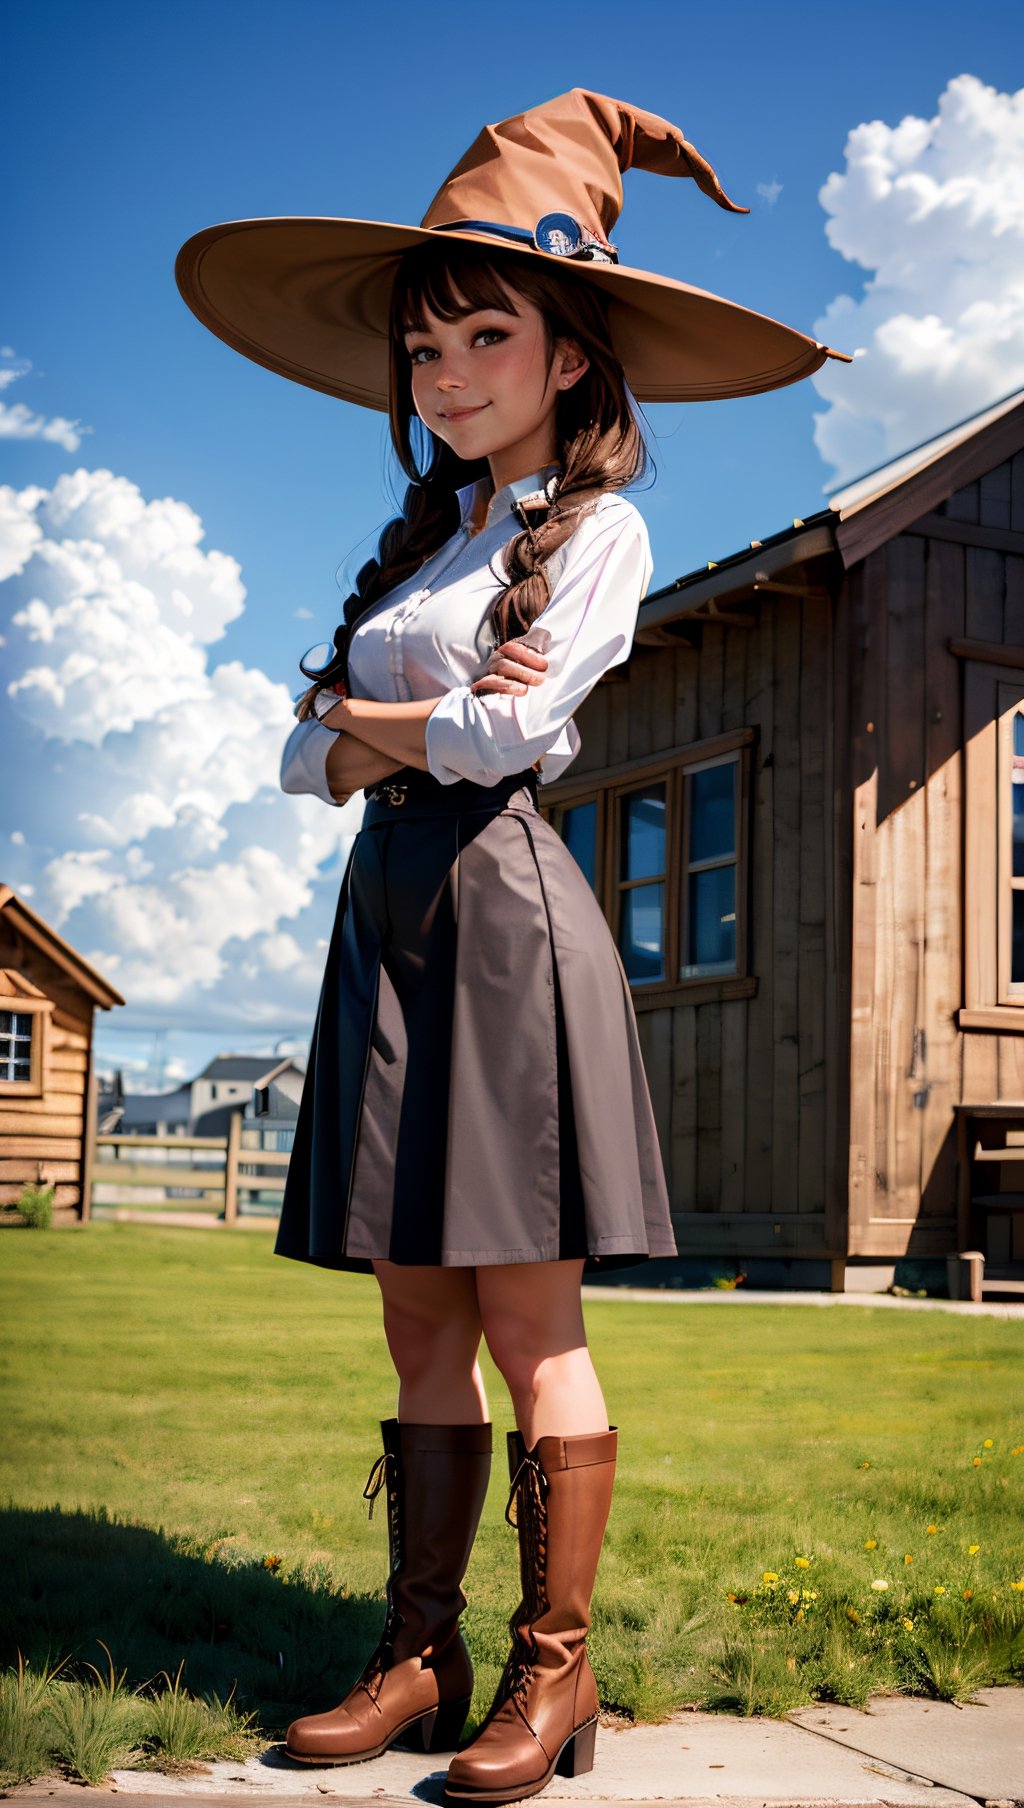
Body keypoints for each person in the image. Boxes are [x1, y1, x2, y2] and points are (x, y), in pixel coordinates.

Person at [176, 88, 849, 1804]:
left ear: (569, 359)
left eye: (487, 333)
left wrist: (365, 719)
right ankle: (420, 1654)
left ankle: (556, 1678)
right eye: (424, 346)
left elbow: (491, 742)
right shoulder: (430, 548)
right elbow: (298, 756)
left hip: (499, 918)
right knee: (414, 1315)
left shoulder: (603, 531)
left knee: (527, 1321)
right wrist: (386, 716)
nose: (448, 371)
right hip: (385, 920)